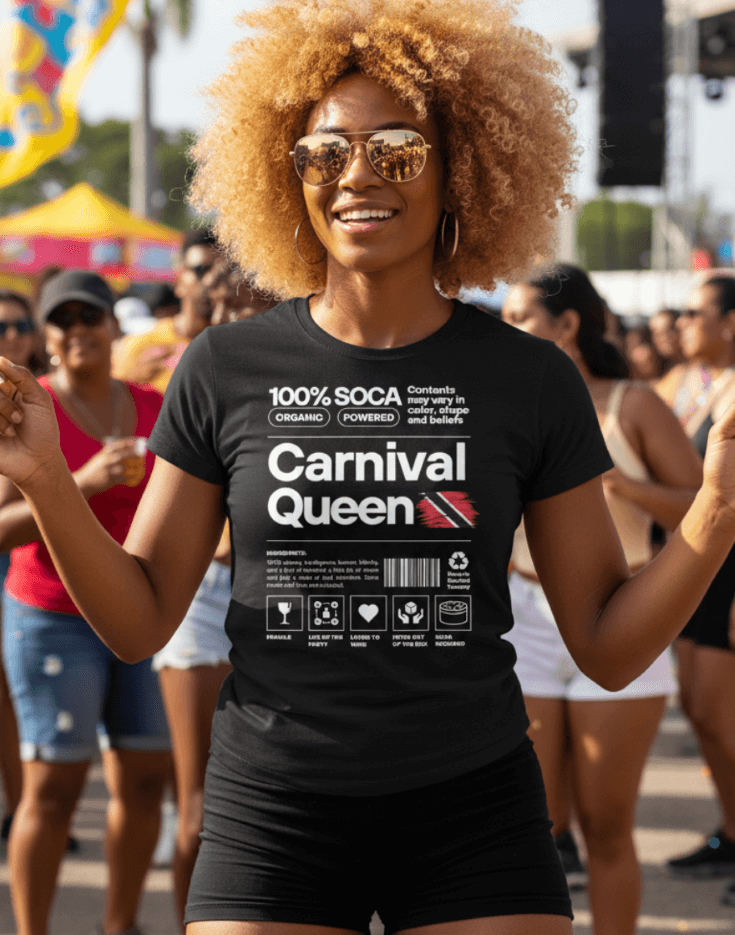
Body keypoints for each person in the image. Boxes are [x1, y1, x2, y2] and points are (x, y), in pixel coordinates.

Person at [2, 3, 735, 933]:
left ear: (460, 163)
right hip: (274, 809)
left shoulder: (529, 378)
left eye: (396, 149)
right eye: (322, 152)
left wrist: (714, 509)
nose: (356, 176)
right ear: (287, 172)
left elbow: (604, 642)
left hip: (475, 808)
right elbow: (141, 620)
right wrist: (48, 482)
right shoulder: (225, 369)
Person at [501, 265, 702, 935]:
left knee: (608, 825)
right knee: (534, 824)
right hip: (523, 623)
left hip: (624, 618)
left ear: (567, 325)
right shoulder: (503, 402)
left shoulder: (630, 404)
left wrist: (620, 484)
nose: (505, 330)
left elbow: (704, 506)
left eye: (519, 317)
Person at [0, 271, 171, 935]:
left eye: (89, 315)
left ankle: (119, 925)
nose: (77, 330)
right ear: (46, 335)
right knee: (56, 787)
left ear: (112, 326)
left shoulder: (155, 407)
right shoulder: (28, 408)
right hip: (50, 616)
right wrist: (79, 483)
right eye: (62, 319)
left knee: (146, 777)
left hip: (144, 611)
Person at [658, 277, 735, 907]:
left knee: (721, 718)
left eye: (696, 313)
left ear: (731, 323)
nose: (683, 322)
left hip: (729, 576)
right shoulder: (687, 383)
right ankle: (731, 835)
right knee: (702, 714)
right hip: (692, 566)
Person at [0, 291, 40, 849]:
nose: (11, 334)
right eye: (0, 324)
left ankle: (21, 807)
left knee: (8, 695)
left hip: (19, 567)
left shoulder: (37, 401)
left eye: (21, 324)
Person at [112, 229, 218, 391]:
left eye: (222, 273)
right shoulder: (137, 348)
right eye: (201, 270)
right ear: (178, 279)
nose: (211, 281)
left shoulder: (238, 353)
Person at [649, 308, 684, 377]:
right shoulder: (656, 370)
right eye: (657, 333)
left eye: (669, 330)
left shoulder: (699, 367)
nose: (664, 338)